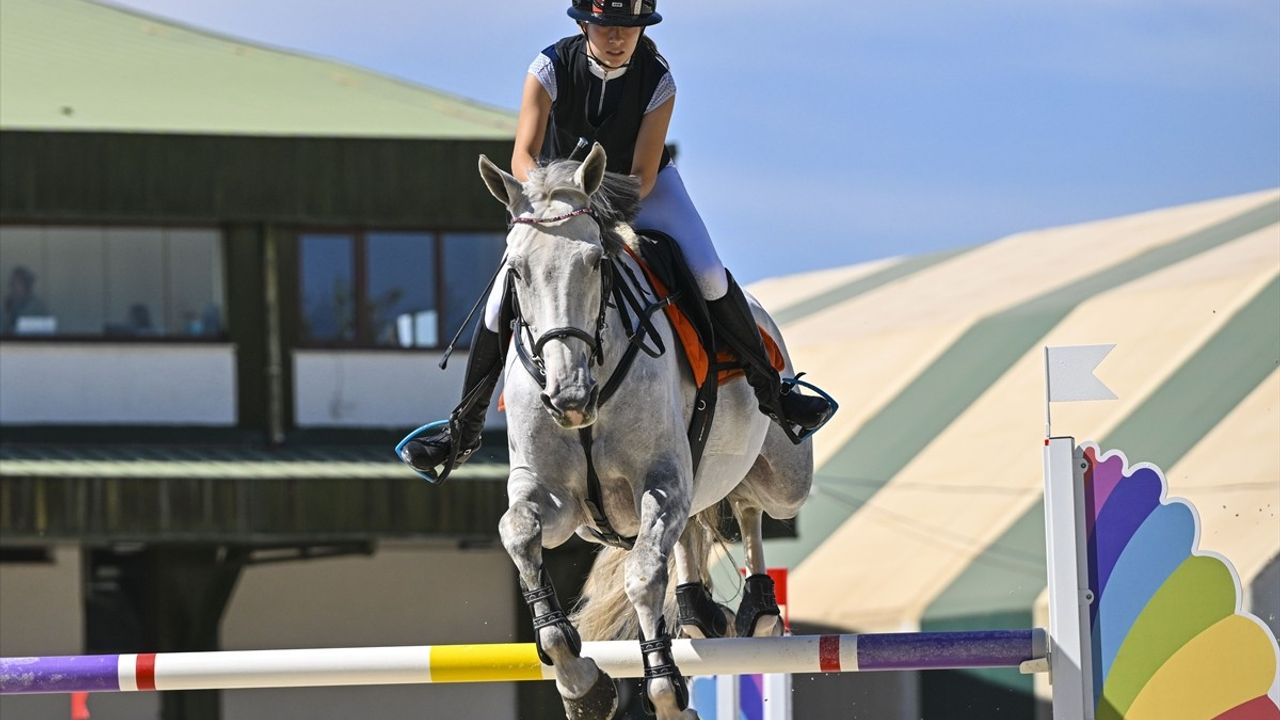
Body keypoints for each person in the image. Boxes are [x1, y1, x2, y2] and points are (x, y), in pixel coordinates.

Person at [403, 0, 834, 476]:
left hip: (639, 189)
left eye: (629, 27)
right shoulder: (547, 67)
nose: (617, 37)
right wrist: (553, 194)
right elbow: (523, 156)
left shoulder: (659, 81)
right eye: (607, 26)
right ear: (585, 23)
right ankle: (462, 429)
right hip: (553, 196)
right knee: (499, 297)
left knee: (709, 273)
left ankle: (772, 393)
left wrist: (596, 203)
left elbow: (642, 173)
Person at [2, 266, 49, 334]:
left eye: (17, 283)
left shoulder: (37, 306)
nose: (13, 288)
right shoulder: (8, 305)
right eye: (12, 283)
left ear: (27, 286)